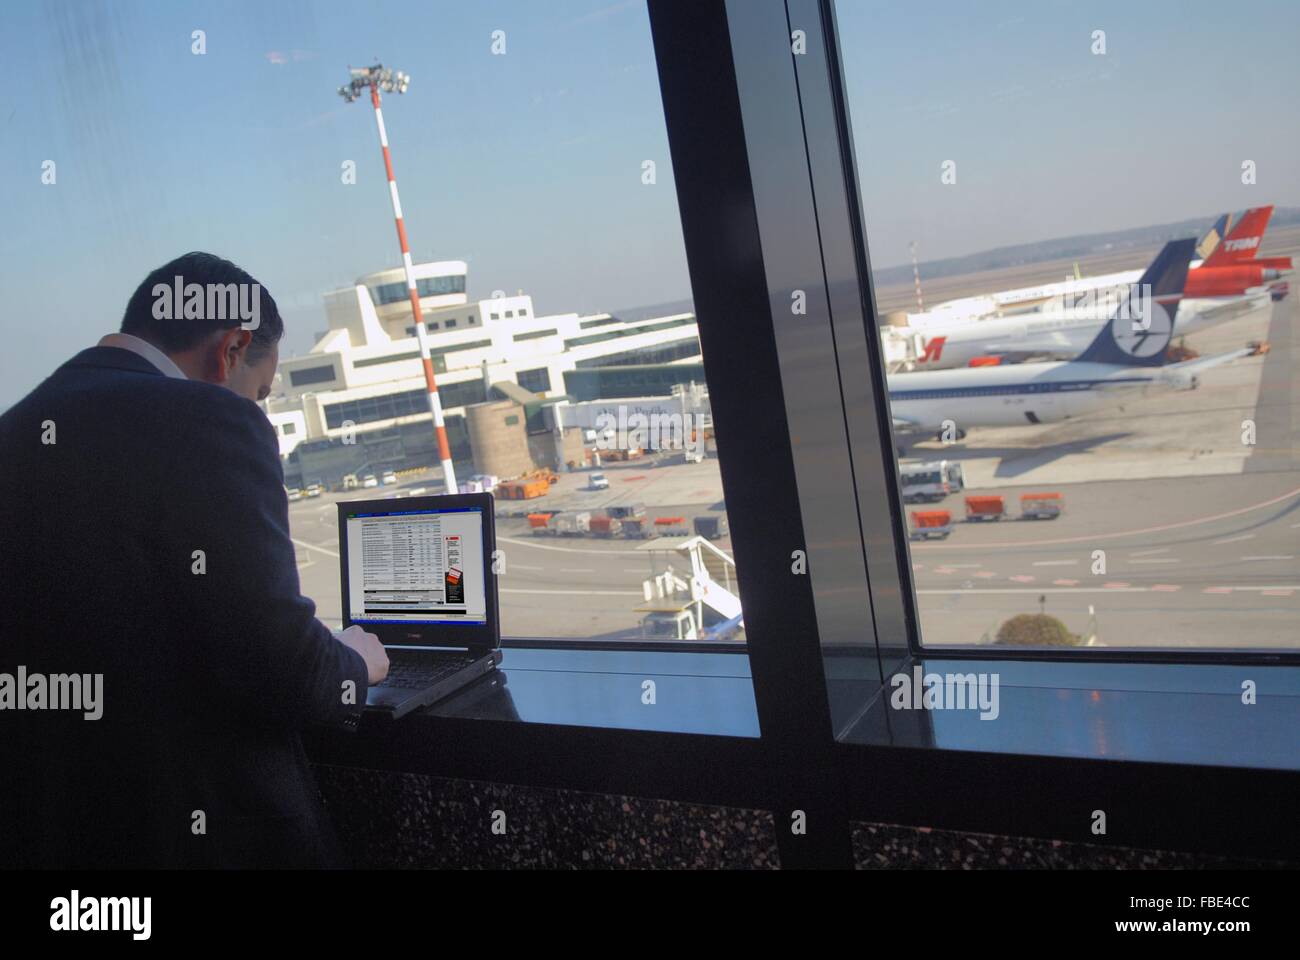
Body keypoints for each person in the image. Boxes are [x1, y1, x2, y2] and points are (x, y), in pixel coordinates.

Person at [0, 252, 389, 868]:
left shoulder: (16, 428)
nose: (256, 408)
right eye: (261, 393)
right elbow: (283, 670)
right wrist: (354, 664)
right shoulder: (210, 419)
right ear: (232, 348)